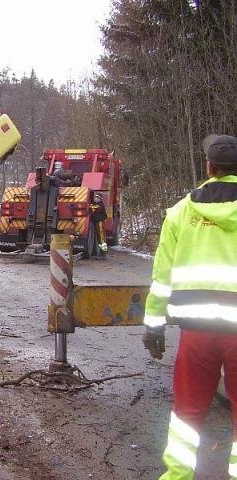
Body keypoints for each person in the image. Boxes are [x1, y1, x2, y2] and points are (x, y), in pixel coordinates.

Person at [143, 134, 237, 480]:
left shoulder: (182, 211)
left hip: (196, 332)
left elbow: (162, 276)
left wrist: (153, 325)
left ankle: (178, 476)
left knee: (188, 410)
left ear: (210, 168)